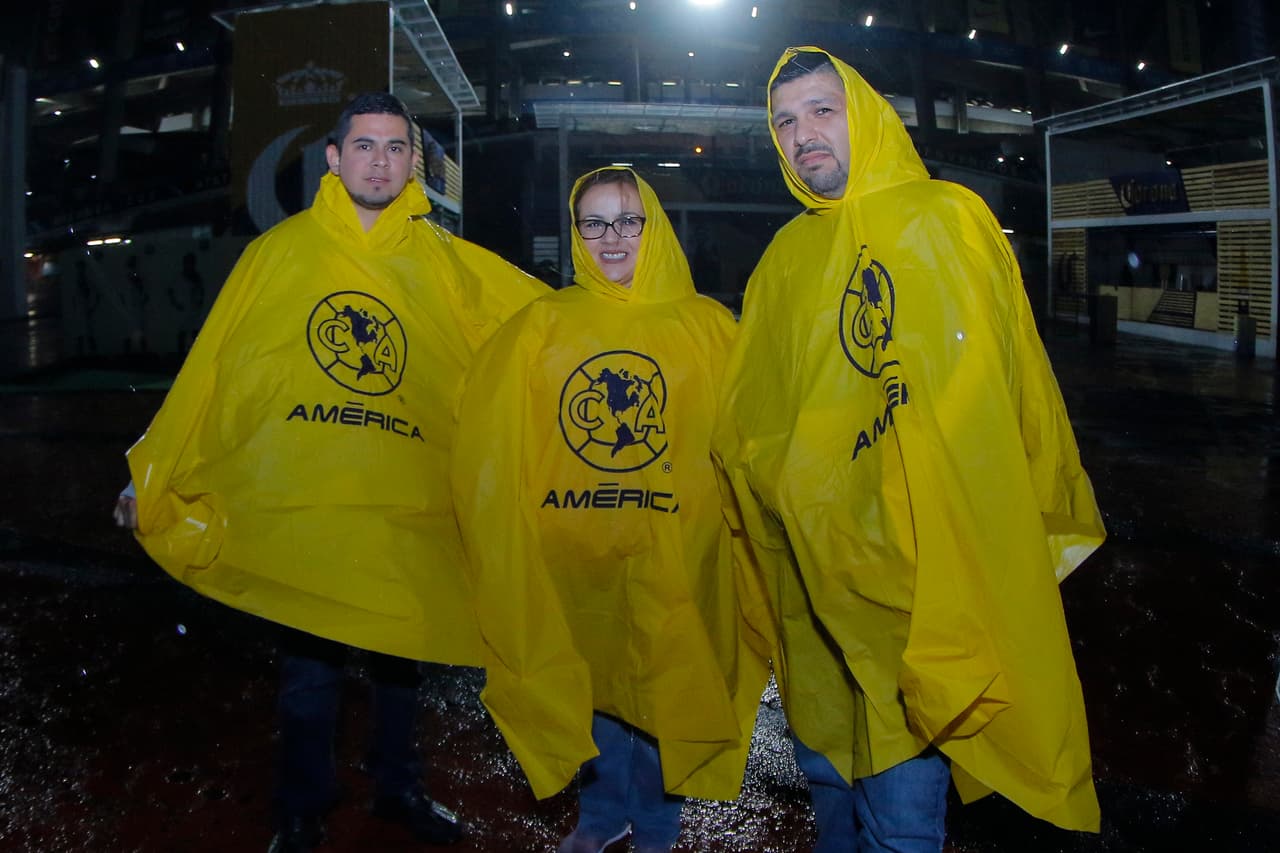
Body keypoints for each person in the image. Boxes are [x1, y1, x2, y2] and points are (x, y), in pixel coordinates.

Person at [113, 91, 547, 853]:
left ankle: (397, 786)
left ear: (412, 163)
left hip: (405, 507)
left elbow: (539, 333)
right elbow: (214, 371)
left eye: (395, 148)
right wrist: (150, 471)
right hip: (310, 509)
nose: (380, 162)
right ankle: (301, 805)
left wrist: (630, 333)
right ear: (335, 157)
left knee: (401, 662)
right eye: (366, 146)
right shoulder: (279, 254)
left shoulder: (445, 262)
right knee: (309, 674)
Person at [712, 47, 1107, 852]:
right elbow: (751, 420)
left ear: (865, 114)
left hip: (916, 586)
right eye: (785, 122)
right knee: (831, 788)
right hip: (817, 586)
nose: (803, 134)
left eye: (822, 110)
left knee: (899, 821)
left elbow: (1008, 389)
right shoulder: (782, 263)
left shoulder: (945, 218)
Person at [449, 167, 771, 853]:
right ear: (576, 233)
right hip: (576, 554)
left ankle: (655, 824)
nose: (612, 237)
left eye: (628, 220)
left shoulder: (708, 326)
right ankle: (600, 815)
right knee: (591, 684)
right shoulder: (541, 326)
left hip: (677, 552)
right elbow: (493, 439)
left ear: (654, 226)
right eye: (593, 222)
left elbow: (750, 434)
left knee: (665, 686)